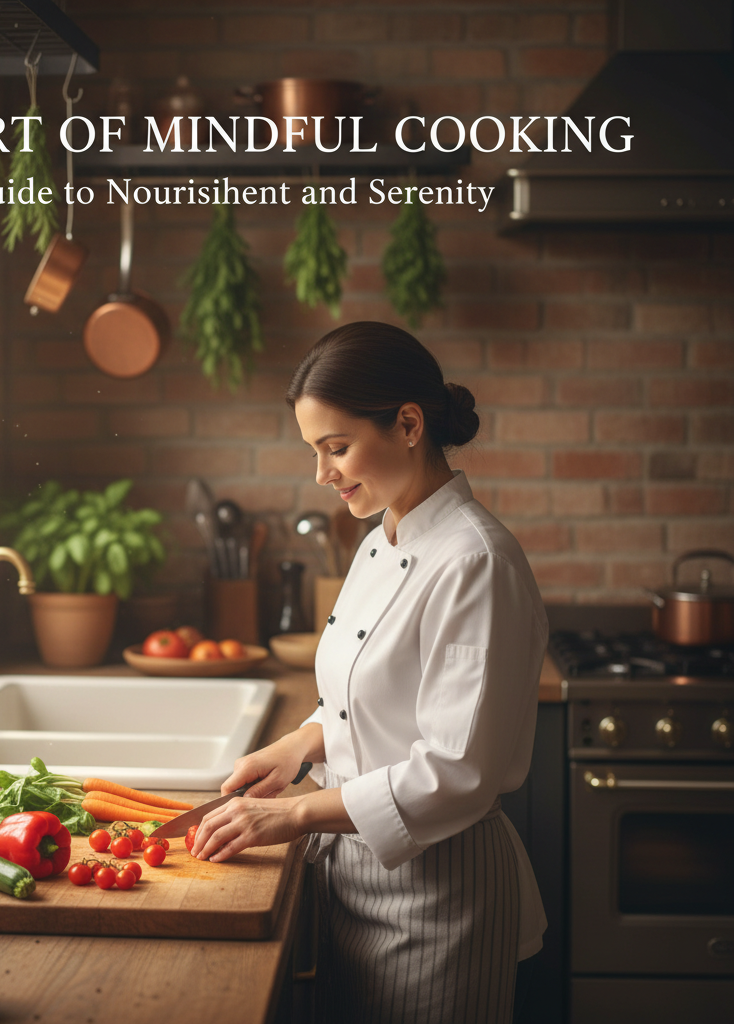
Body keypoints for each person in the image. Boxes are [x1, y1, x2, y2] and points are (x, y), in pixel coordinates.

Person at [191, 322, 548, 1024]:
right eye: (315, 452)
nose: (322, 474)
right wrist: (299, 744)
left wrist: (293, 813)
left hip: (439, 899)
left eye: (336, 447)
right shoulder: (379, 536)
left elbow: (455, 771)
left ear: (409, 424)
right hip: (352, 883)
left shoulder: (475, 563)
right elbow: (369, 695)